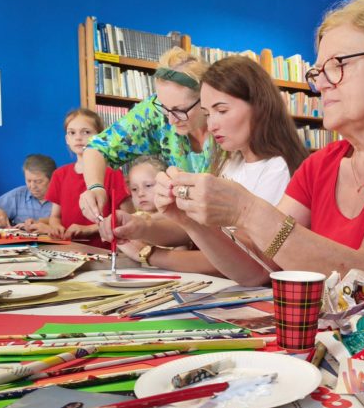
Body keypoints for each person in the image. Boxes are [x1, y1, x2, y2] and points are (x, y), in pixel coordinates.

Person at [149, 0, 364, 287]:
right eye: (318, 72)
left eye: (337, 65)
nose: (323, 83)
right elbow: (256, 270)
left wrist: (247, 210)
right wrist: (192, 222)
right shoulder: (320, 165)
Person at [100, 56, 308, 274]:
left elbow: (244, 261)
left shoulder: (278, 169)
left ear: (259, 105)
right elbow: (203, 229)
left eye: (222, 111)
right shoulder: (231, 160)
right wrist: (141, 226)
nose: (212, 124)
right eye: (208, 114)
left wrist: (150, 255)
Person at [79, 47, 212, 223]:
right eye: (164, 108)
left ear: (207, 97)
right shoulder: (155, 111)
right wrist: (95, 187)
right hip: (188, 229)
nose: (170, 121)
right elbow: (97, 148)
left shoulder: (227, 126)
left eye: (180, 110)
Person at [46, 108, 132, 248]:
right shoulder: (59, 175)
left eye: (86, 132)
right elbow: (55, 217)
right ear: (67, 139)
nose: (78, 137)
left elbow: (127, 216)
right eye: (72, 133)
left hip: (104, 252)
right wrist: (56, 227)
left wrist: (89, 229)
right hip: (69, 250)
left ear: (100, 137)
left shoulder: (113, 174)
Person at [0, 154, 56, 231]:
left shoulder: (63, 197)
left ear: (52, 179)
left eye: (38, 181)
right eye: (28, 181)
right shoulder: (18, 195)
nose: (32, 186)